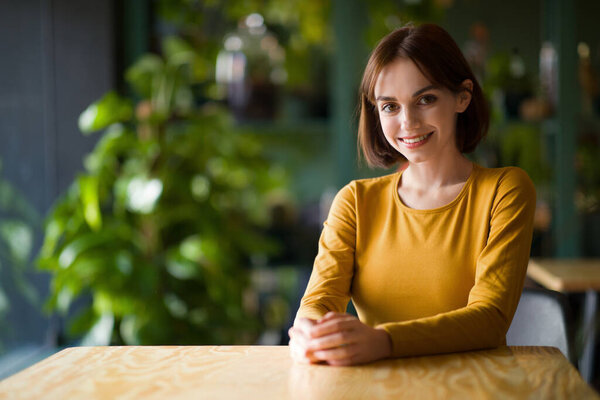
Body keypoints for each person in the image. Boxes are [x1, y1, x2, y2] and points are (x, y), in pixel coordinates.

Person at [288, 23, 536, 366]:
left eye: (426, 99)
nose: (408, 122)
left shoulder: (504, 190)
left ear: (462, 97)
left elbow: (489, 318)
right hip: (375, 386)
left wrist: (384, 341)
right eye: (390, 106)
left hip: (475, 386)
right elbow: (319, 299)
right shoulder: (355, 201)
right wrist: (309, 331)